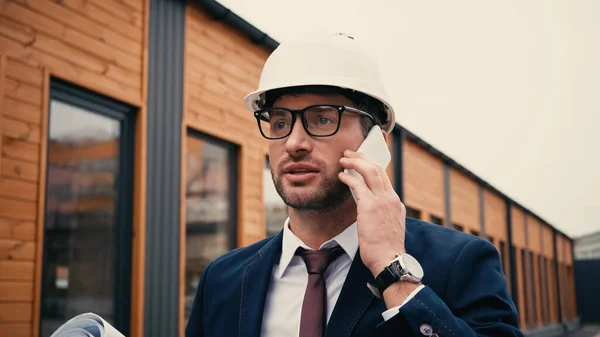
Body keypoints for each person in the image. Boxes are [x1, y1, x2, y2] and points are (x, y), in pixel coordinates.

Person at [185, 32, 523, 337]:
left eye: (322, 119)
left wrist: (394, 273)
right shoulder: (222, 279)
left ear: (376, 143)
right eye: (280, 122)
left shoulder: (458, 263)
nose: (293, 143)